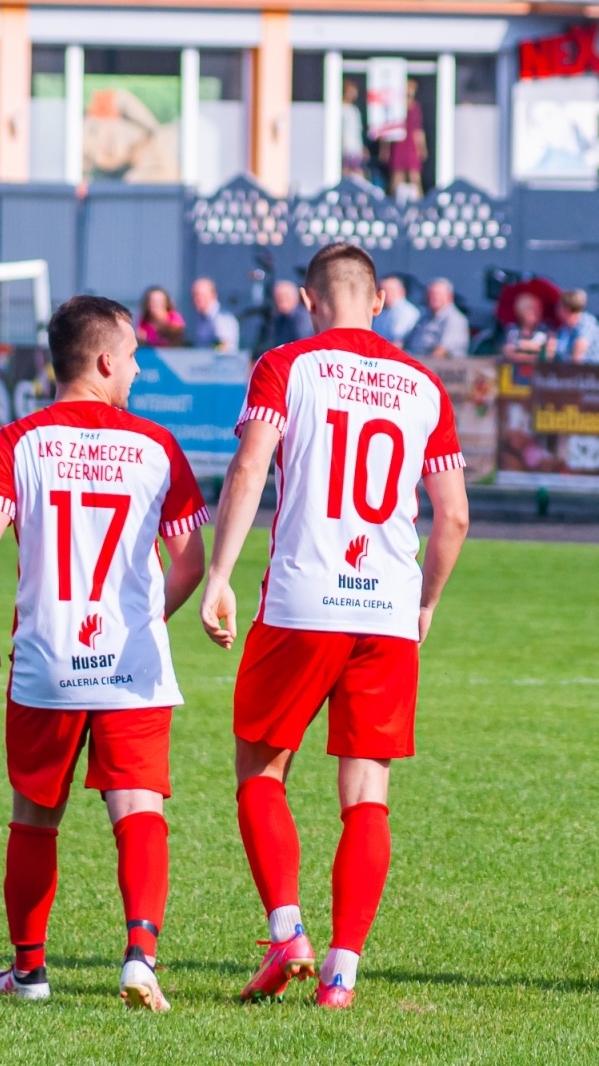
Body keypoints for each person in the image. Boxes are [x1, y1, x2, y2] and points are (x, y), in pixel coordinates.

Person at [198, 242, 470, 1009]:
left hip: (302, 600)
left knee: (260, 769)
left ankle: (288, 932)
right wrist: (425, 602)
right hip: (386, 609)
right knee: (367, 791)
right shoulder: (423, 383)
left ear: (311, 300)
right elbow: (453, 515)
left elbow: (250, 467)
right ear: (378, 301)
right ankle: (342, 970)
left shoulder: (287, 364)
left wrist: (219, 575)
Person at [0, 295, 208, 1012]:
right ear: (103, 361)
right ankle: (140, 958)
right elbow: (190, 561)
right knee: (138, 807)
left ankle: (30, 973)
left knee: (36, 815)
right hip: (132, 664)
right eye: (132, 357)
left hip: (48, 661)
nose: (137, 370)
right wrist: (145, 620)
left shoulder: (14, 443)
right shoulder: (157, 446)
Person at [386, 79, 428, 201]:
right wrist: (386, 149)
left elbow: (418, 130)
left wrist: (422, 147)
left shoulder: (415, 108)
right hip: (398, 143)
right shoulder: (396, 106)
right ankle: (391, 203)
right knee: (397, 177)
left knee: (415, 178)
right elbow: (389, 128)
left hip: (411, 144)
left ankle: (421, 205)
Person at [407, 278, 470, 359]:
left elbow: (442, 351)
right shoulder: (424, 317)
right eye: (431, 294)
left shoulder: (455, 319)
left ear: (449, 296)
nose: (434, 298)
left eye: (438, 294)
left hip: (439, 365)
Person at [551, 289, 599, 365]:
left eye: (559, 307)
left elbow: (578, 356)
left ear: (567, 310)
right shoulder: (565, 329)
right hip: (577, 370)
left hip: (598, 369)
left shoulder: (587, 323)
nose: (556, 310)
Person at [190, 278, 240, 351]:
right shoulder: (202, 317)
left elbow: (224, 347)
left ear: (213, 295)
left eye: (200, 295)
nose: (196, 299)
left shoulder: (223, 318)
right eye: (194, 295)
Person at [371, 276, 420, 348]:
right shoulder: (382, 311)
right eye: (382, 290)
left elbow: (397, 342)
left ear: (402, 291)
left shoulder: (408, 312)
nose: (386, 294)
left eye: (390, 290)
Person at [264, 280, 314, 350]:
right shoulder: (277, 320)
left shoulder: (303, 318)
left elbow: (302, 345)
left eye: (286, 296)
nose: (282, 300)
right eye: (278, 296)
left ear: (295, 297)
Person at [501, 292, 550, 362]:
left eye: (538, 309)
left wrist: (518, 346)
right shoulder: (512, 329)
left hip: (538, 368)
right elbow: (507, 351)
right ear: (521, 311)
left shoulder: (544, 329)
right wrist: (529, 349)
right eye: (532, 309)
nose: (537, 312)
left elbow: (542, 351)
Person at [341, 80, 367, 182]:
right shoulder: (340, 108)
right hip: (345, 147)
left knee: (358, 172)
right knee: (345, 171)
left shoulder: (354, 110)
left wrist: (361, 147)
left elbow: (357, 130)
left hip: (355, 147)